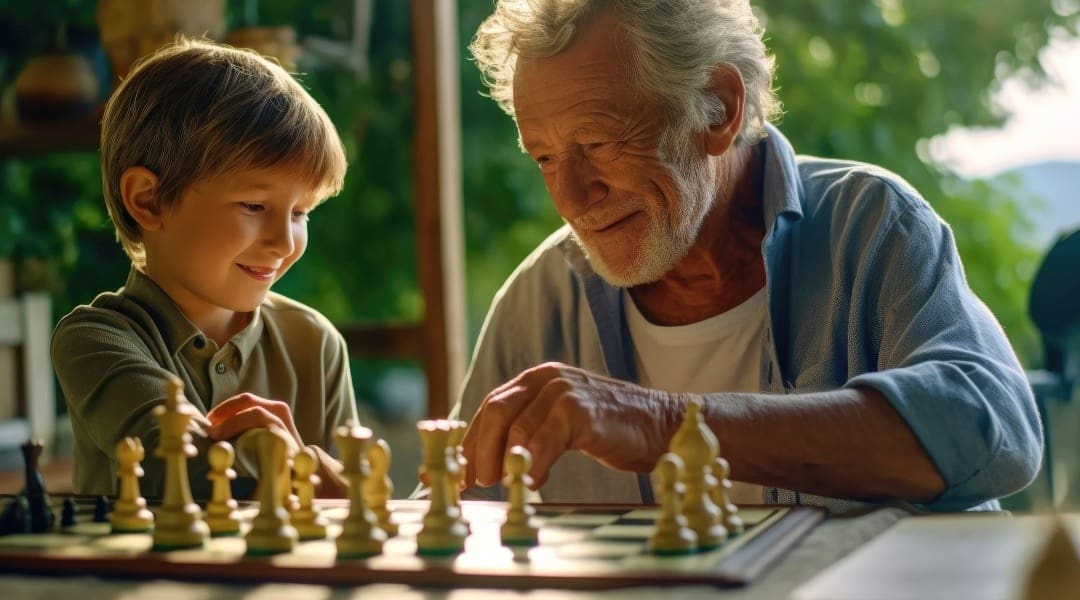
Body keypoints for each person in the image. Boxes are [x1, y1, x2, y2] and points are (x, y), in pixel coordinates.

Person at [455, 0, 1042, 512]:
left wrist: (663, 424)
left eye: (600, 143)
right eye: (545, 159)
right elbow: (452, 512)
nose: (571, 199)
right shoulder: (540, 298)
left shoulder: (869, 225)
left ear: (718, 106)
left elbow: (994, 432)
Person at [51, 38, 356, 499]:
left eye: (300, 213)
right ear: (147, 200)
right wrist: (301, 468)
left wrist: (322, 479)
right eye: (255, 205)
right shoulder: (96, 340)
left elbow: (356, 502)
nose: (284, 241)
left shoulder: (315, 342)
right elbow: (180, 473)